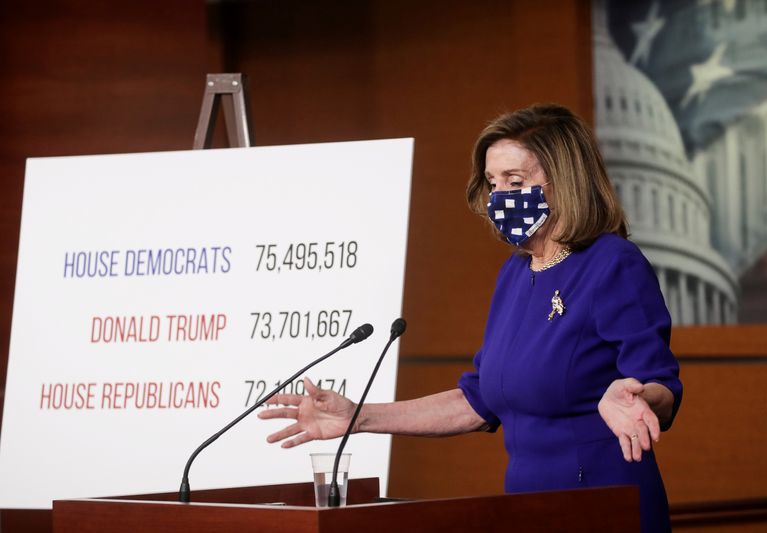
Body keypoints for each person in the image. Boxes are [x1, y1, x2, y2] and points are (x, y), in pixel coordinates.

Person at [258, 104, 682, 532]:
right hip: (528, 504)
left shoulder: (613, 264)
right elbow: (479, 400)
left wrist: (638, 396)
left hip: (604, 502)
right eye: (493, 183)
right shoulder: (516, 273)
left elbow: (660, 385)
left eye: (514, 182)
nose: (499, 197)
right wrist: (359, 417)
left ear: (565, 182)